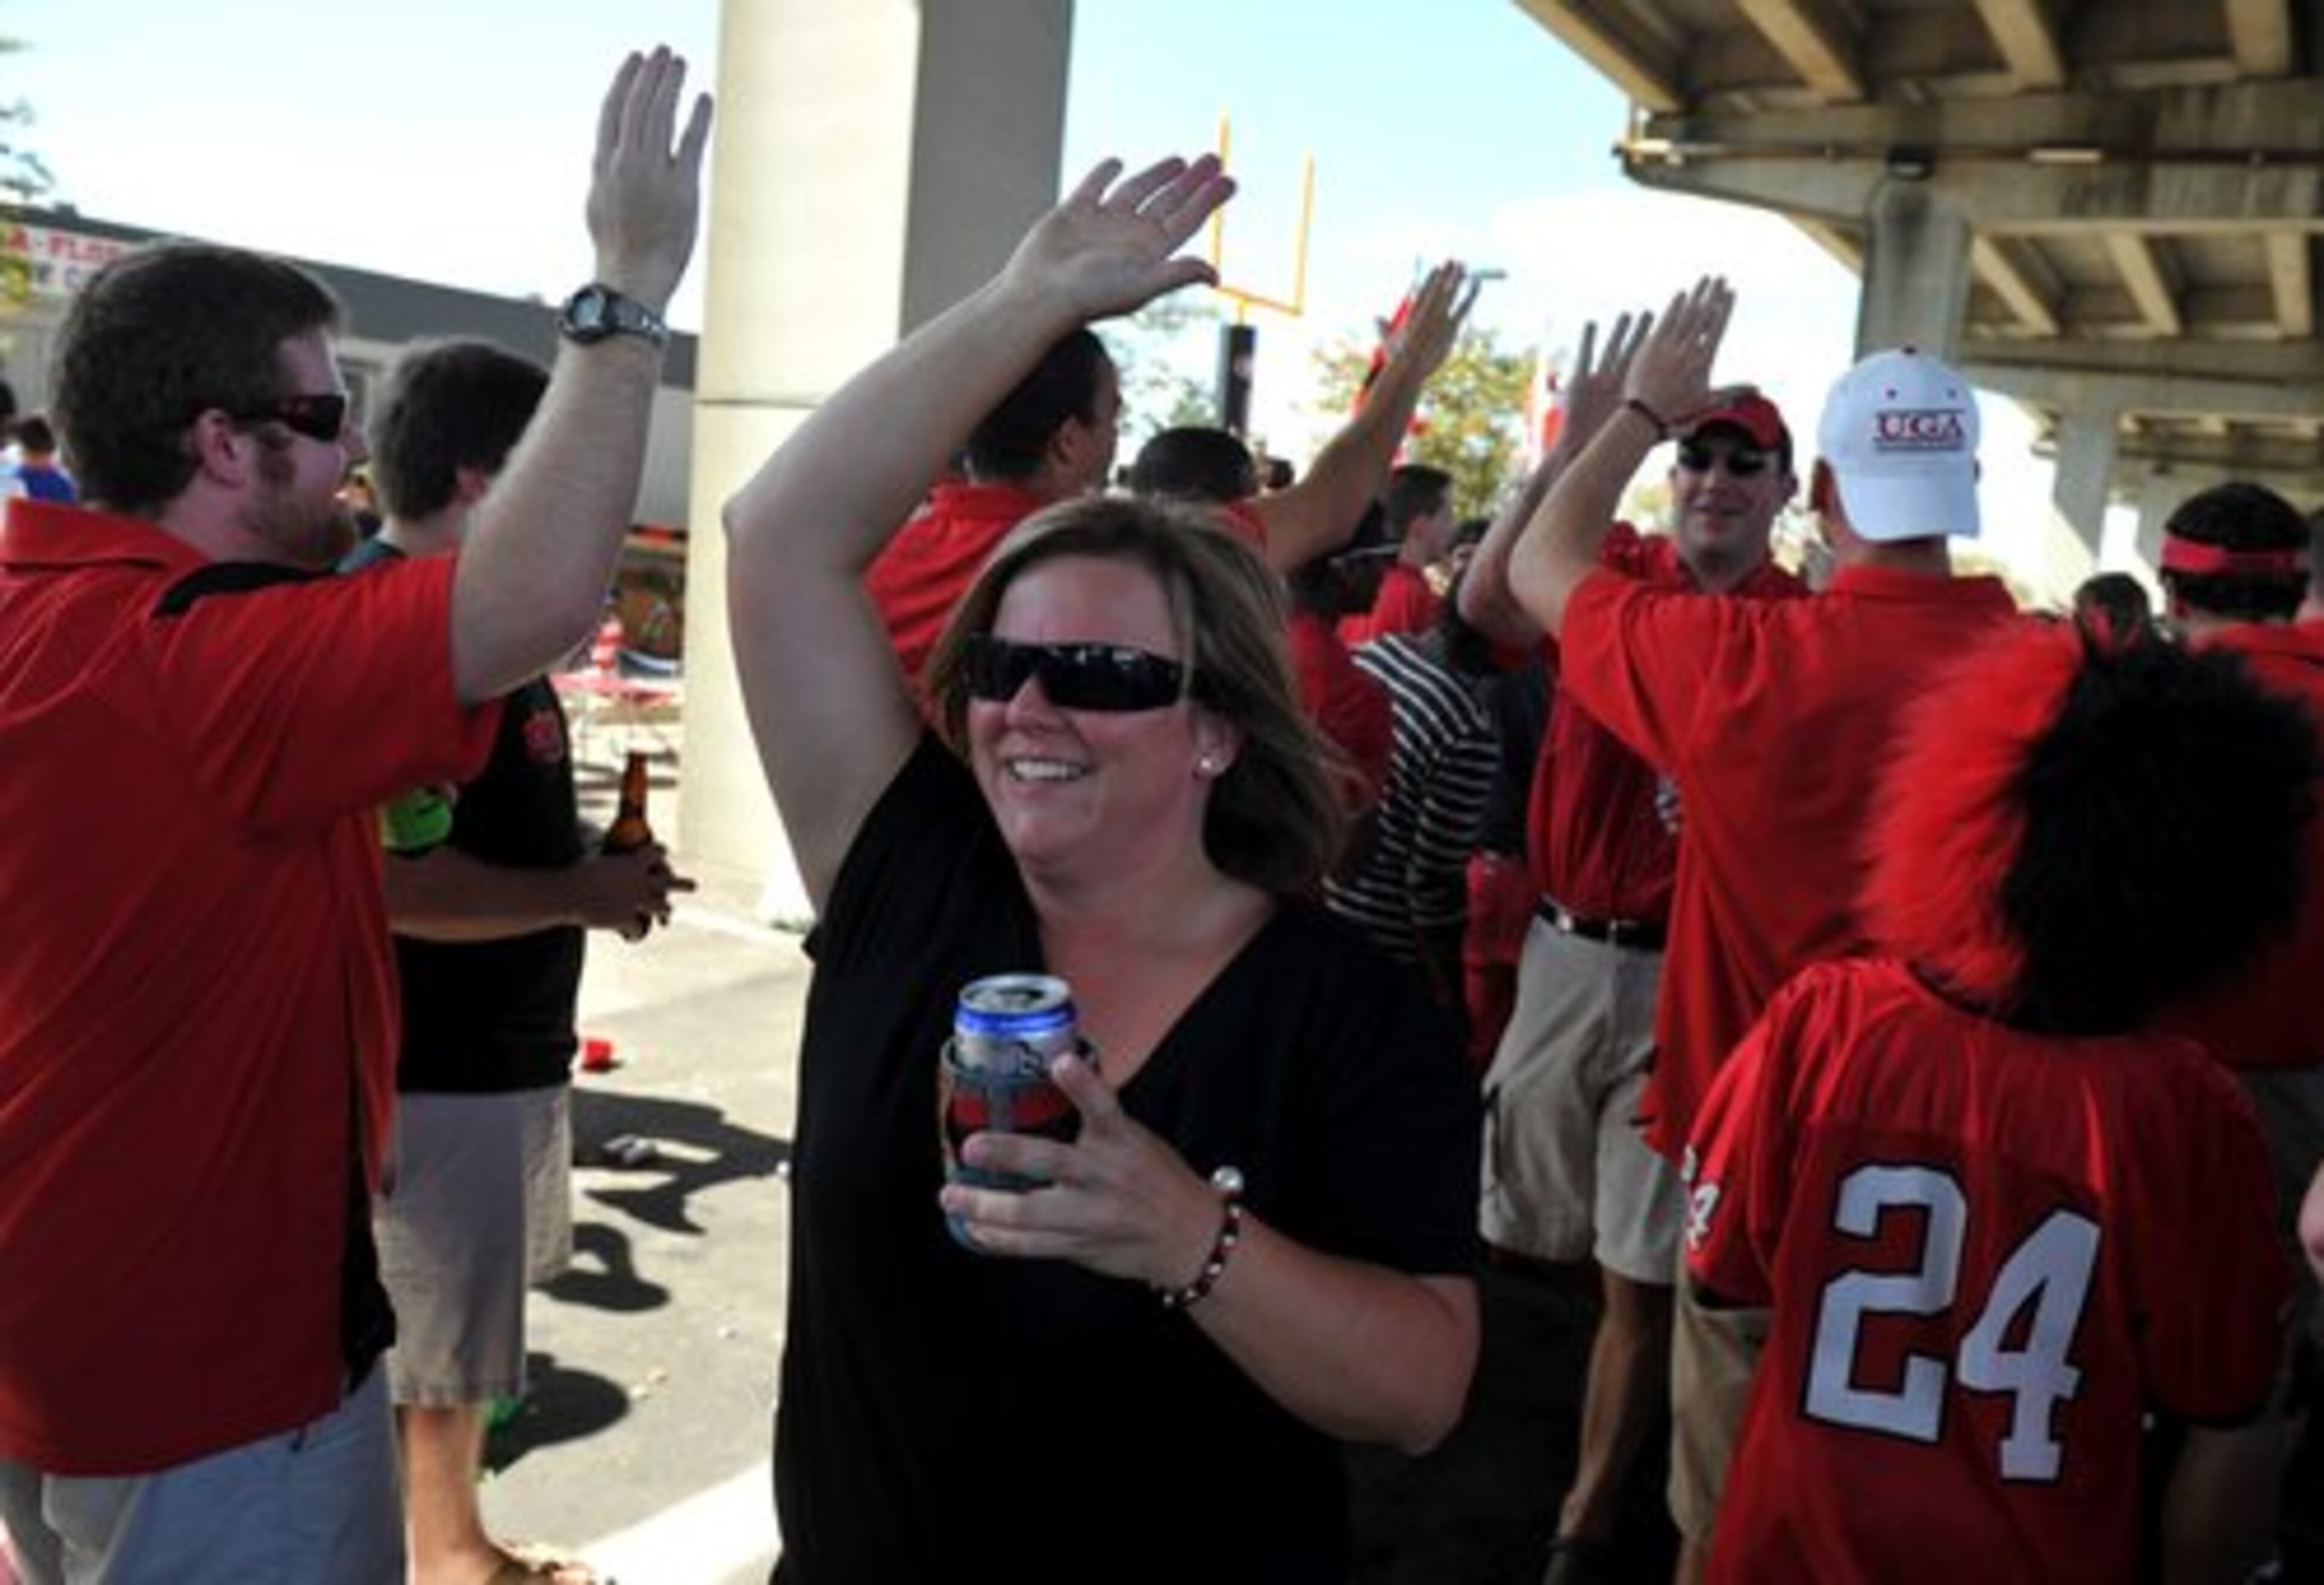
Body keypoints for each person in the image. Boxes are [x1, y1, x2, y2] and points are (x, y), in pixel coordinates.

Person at [0, 48, 708, 1584]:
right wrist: (628, 285)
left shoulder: (40, 611)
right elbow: (533, 594)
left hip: (61, 1337)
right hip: (213, 1378)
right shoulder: (200, 659)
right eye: (328, 415)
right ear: (221, 440)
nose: (351, 457)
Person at [723, 154, 1481, 1583]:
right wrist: (1029, 300)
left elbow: (1423, 1390)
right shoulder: (912, 880)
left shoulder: (1343, 1011)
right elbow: (775, 538)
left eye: (1096, 670)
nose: (1029, 708)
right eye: (1003, 666)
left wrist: (1189, 1235)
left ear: (1213, 729)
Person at [1503, 288, 2020, 1581]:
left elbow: (1534, 568)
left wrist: (1632, 416)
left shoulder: (1741, 663)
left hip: (1759, 1148)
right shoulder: (2059, 672)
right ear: (1964, 489)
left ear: (1825, 488)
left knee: (1725, 1515)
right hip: (1968, 1169)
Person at [1678, 615, 2306, 1582]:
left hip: (1792, 1547)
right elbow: (2223, 1398)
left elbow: (1725, 1286)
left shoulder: (1828, 1019)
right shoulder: (2185, 1110)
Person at [1458, 315, 1803, 1581]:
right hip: (1559, 956)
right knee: (1524, 1233)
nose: (1713, 476)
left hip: (1691, 978)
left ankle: (1585, 1521)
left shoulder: (1792, 624)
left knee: (1642, 1273)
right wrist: (1580, 440)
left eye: (1743, 459)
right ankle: (1544, 1446)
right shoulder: (1612, 570)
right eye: (1698, 455)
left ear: (1781, 491)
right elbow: (1487, 601)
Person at [345, 338, 691, 1585]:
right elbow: (389, 886)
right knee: (433, 1348)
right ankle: (444, 1558)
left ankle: (445, 1542)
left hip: (486, 1054)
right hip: (437, 1065)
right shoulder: (403, 631)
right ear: (496, 482)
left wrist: (587, 870)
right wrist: (578, 892)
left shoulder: (467, 623)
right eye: (575, 481)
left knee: (447, 1345)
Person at [2141, 480, 2324, 1578]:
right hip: (2302, 1089)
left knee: (2111, 1332)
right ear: (2295, 588)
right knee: (2258, 1359)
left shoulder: (2123, 707)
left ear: (2171, 588)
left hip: (2135, 1075)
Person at [1323, 566, 1500, 1033]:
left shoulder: (1376, 652)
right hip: (1384, 955)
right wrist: (1450, 994)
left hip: (1323, 917)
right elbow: (1432, 884)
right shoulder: (1469, 725)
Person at [1342, 461, 1458, 642]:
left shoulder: (1356, 587)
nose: (1454, 527)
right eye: (1449, 516)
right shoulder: (1413, 595)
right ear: (1420, 526)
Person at [7, 416, 76, 504]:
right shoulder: (16, 479)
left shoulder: (61, 483)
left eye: (42, 456)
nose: (39, 462)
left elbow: (70, 510)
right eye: (33, 457)